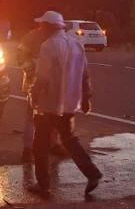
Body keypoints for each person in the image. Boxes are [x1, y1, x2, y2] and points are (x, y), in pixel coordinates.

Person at [26, 11, 102, 198]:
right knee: (69, 140)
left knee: (40, 144)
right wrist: (85, 97)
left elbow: (42, 78)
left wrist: (34, 97)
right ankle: (92, 173)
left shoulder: (48, 46)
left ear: (49, 27)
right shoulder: (76, 44)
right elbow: (85, 74)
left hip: (49, 104)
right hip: (68, 103)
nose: (40, 29)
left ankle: (43, 185)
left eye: (42, 26)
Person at [18, 21, 68, 165]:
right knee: (32, 117)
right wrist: (33, 69)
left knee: (55, 115)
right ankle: (27, 150)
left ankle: (53, 144)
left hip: (54, 84)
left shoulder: (58, 39)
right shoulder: (31, 37)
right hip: (35, 83)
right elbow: (20, 58)